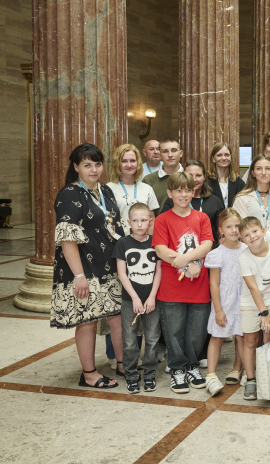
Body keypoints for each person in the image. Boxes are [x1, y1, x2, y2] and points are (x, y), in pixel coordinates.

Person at [52, 143, 124, 389]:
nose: (94, 170)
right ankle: (90, 374)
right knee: (88, 320)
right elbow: (67, 238)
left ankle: (123, 363)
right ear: (76, 167)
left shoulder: (106, 190)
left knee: (117, 316)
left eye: (97, 164)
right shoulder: (70, 194)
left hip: (110, 264)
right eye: (87, 165)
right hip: (84, 267)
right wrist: (79, 275)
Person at [153, 171, 214, 394]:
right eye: (178, 190)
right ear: (169, 193)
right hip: (172, 288)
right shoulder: (162, 219)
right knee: (174, 330)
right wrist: (188, 266)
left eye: (187, 190)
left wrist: (186, 260)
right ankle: (177, 368)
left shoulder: (202, 218)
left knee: (197, 332)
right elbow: (161, 249)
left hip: (199, 286)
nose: (183, 194)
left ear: (193, 191)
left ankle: (192, 366)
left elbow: (207, 244)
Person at [113, 202, 162, 393]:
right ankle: (131, 375)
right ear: (128, 222)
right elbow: (122, 273)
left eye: (143, 220)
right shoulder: (123, 243)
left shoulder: (156, 243)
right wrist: (134, 298)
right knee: (130, 340)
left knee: (152, 338)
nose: (140, 224)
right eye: (135, 221)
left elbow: (159, 271)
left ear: (150, 221)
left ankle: (149, 375)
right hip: (129, 301)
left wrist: (151, 297)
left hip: (152, 301)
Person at [238, 216, 270, 399]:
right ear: (243, 241)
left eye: (255, 231)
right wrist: (263, 312)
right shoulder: (244, 258)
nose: (252, 236)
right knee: (250, 341)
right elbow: (253, 288)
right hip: (251, 304)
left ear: (264, 231)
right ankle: (251, 380)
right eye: (246, 235)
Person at [204, 209, 247, 398]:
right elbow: (214, 283)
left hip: (244, 299)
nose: (234, 230)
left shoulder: (247, 250)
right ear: (220, 230)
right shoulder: (216, 254)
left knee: (242, 336)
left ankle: (239, 369)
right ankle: (211, 376)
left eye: (237, 226)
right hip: (224, 300)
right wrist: (219, 310)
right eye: (229, 227)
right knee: (217, 336)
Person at [160, 160, 225, 244]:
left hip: (209, 251)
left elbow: (222, 230)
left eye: (198, 175)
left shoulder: (215, 201)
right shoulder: (174, 200)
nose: (194, 180)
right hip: (179, 249)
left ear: (204, 177)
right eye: (190, 175)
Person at [232, 155, 270, 249]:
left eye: (268, 169)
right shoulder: (242, 198)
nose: (264, 173)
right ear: (253, 173)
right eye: (259, 169)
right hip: (250, 251)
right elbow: (240, 230)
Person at [107, 144, 159, 235]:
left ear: (138, 163)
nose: (129, 165)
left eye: (132, 161)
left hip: (143, 243)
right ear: (117, 164)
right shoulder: (109, 188)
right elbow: (107, 221)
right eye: (124, 161)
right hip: (119, 243)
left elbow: (152, 223)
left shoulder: (147, 189)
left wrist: (149, 245)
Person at [142, 137, 183, 207]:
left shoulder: (190, 177)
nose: (170, 155)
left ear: (181, 153)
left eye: (174, 150)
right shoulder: (149, 180)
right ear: (160, 155)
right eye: (165, 151)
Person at [208, 142, 245, 208]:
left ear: (230, 157)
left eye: (227, 155)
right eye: (219, 155)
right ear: (213, 159)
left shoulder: (238, 182)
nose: (224, 158)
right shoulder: (206, 181)